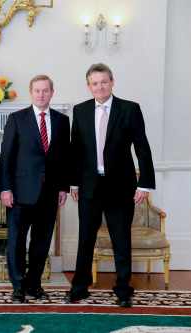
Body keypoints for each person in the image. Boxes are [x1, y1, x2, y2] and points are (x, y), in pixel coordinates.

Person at [67, 63, 155, 308]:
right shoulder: (81, 110)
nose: (100, 87)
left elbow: (142, 147)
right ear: (89, 86)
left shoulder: (129, 109)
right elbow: (77, 150)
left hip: (120, 186)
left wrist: (145, 183)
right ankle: (79, 286)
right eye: (95, 83)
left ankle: (124, 289)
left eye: (104, 82)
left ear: (112, 82)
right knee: (85, 238)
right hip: (89, 186)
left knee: (121, 239)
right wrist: (73, 182)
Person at [0, 75, 70, 303]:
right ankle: (18, 286)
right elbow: (6, 157)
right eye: (37, 90)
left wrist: (63, 188)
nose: (41, 94)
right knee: (17, 241)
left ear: (52, 92)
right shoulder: (17, 119)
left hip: (49, 193)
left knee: (42, 242)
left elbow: (62, 158)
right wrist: (6, 188)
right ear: (31, 93)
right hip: (19, 193)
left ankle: (34, 284)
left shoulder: (62, 121)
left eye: (45, 90)